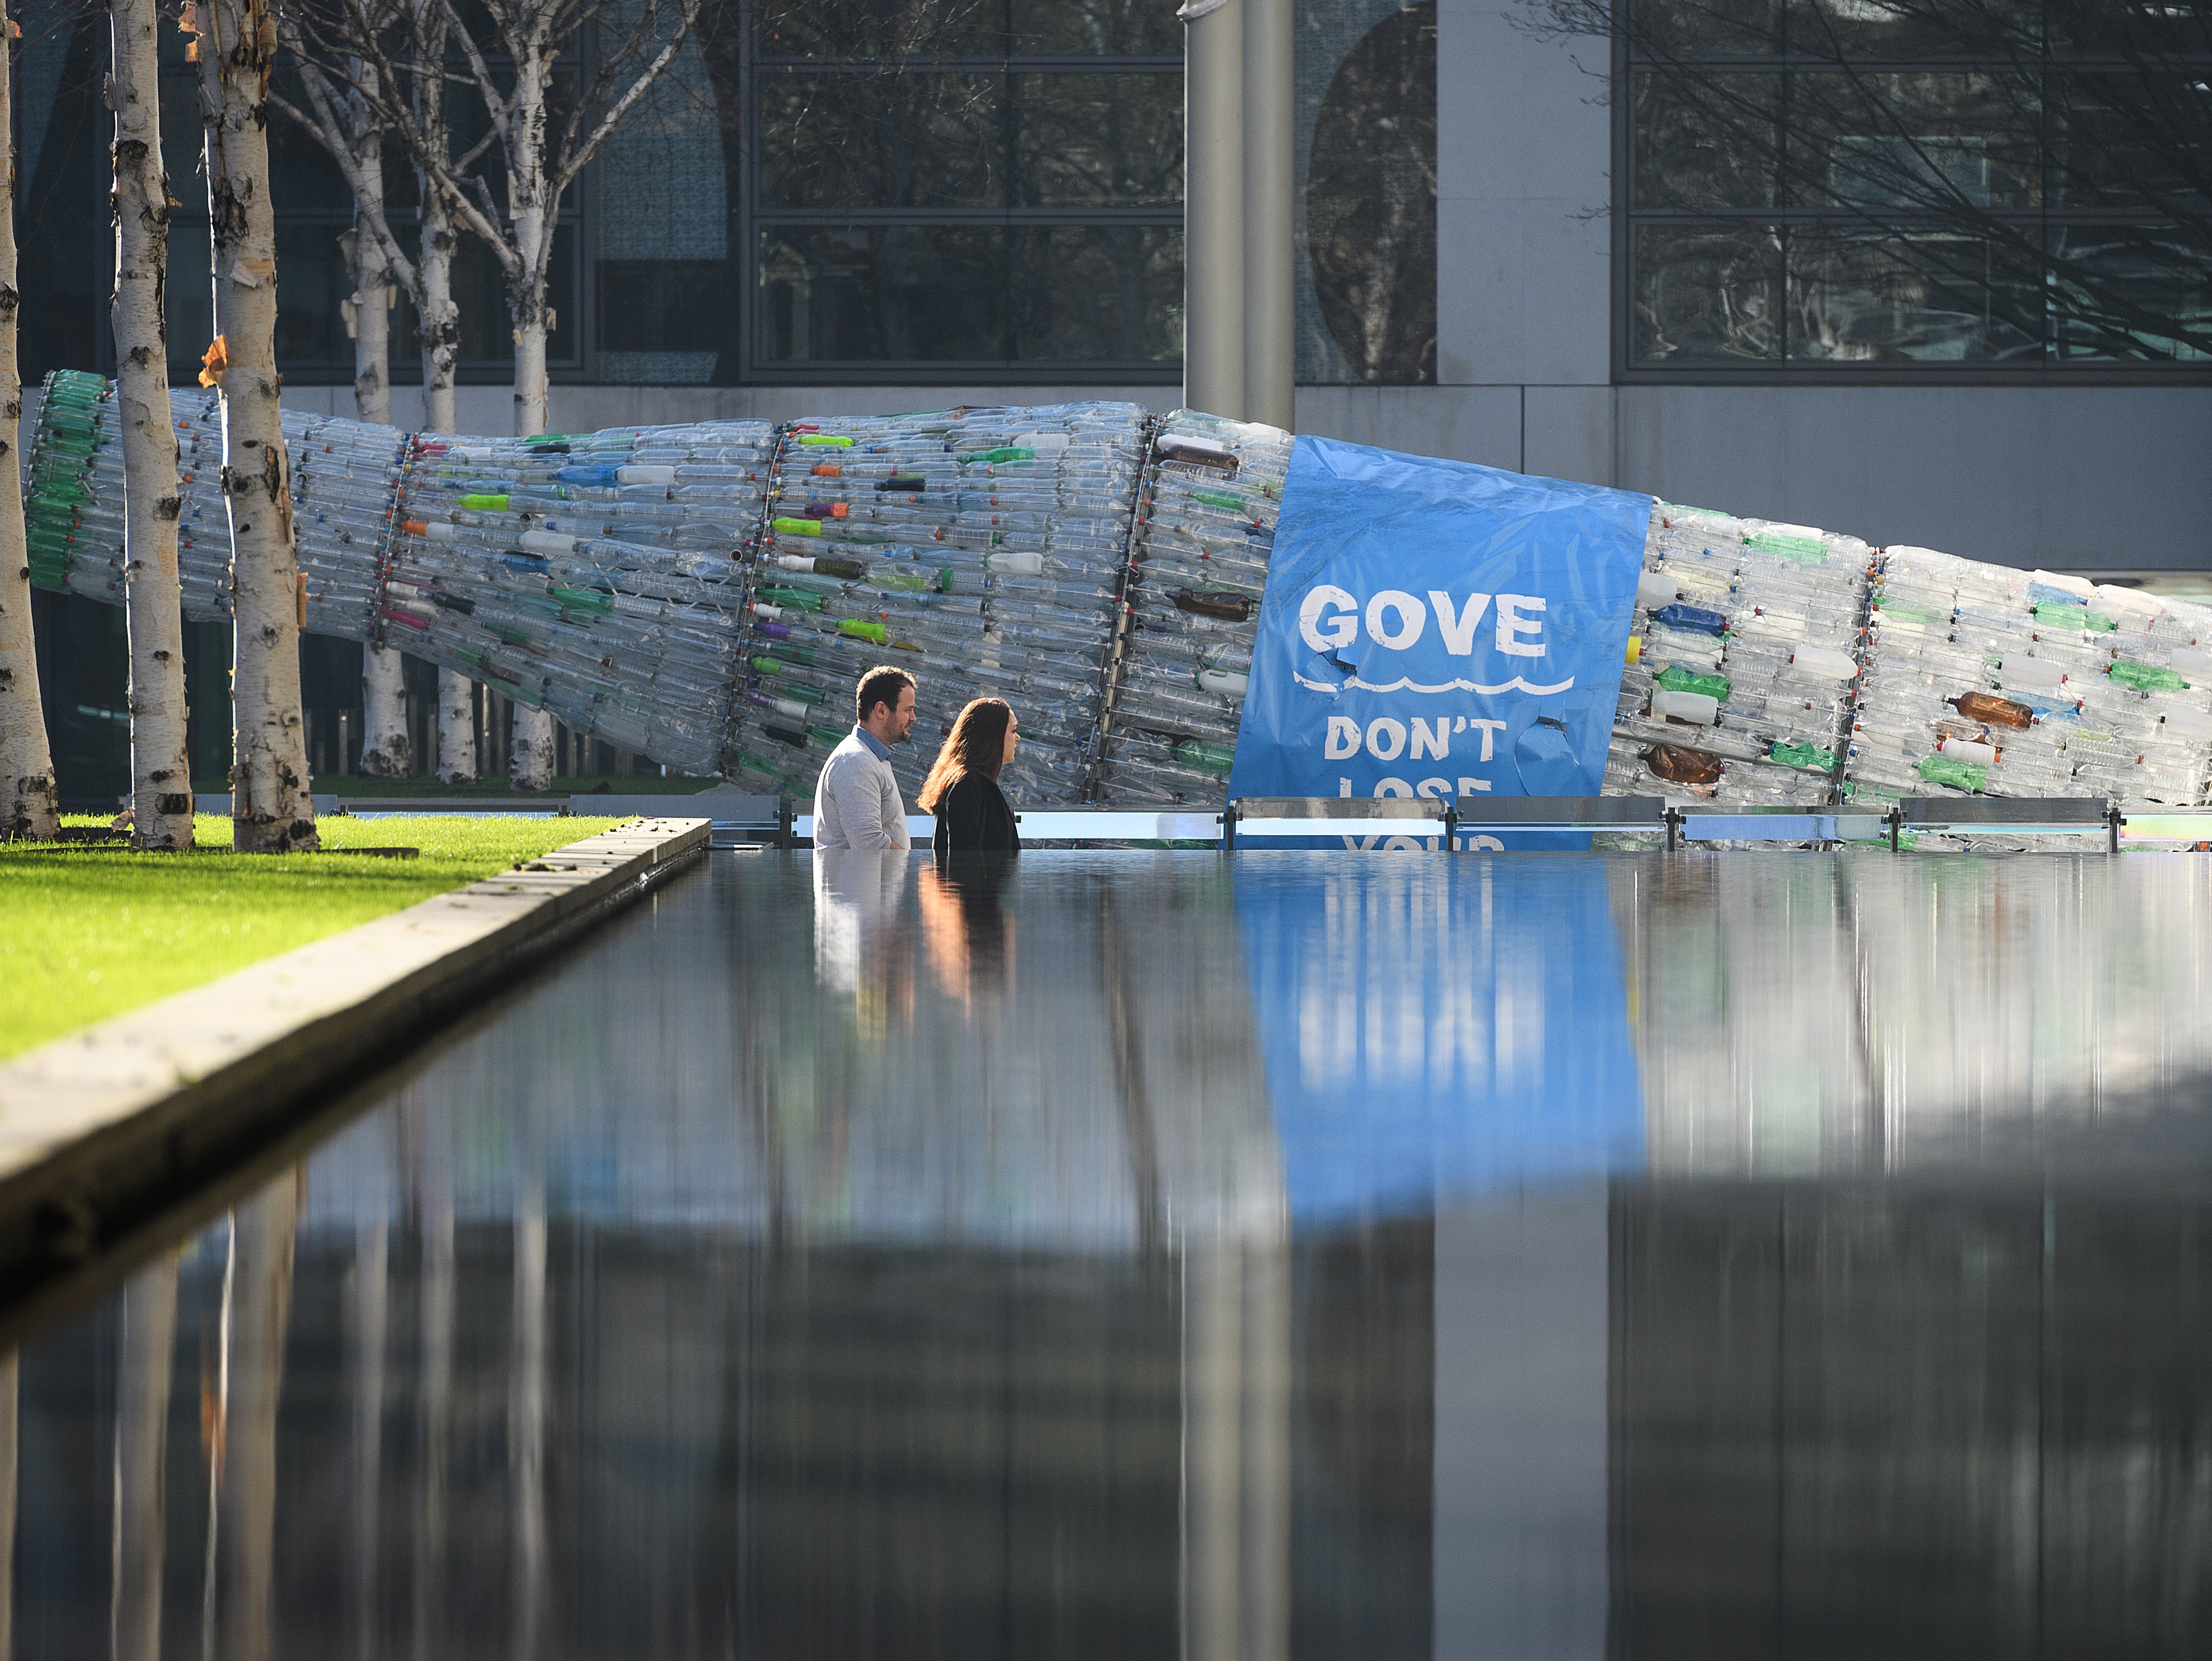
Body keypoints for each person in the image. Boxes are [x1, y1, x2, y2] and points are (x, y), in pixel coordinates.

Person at [813, 666, 917, 852]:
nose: (913, 718)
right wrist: (917, 870)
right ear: (881, 710)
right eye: (908, 710)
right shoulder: (856, 761)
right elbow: (870, 844)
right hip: (858, 881)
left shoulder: (868, 757)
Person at [917, 696, 1022, 857]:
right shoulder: (968, 785)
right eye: (1013, 731)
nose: (1018, 738)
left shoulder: (975, 783)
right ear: (993, 736)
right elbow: (964, 863)